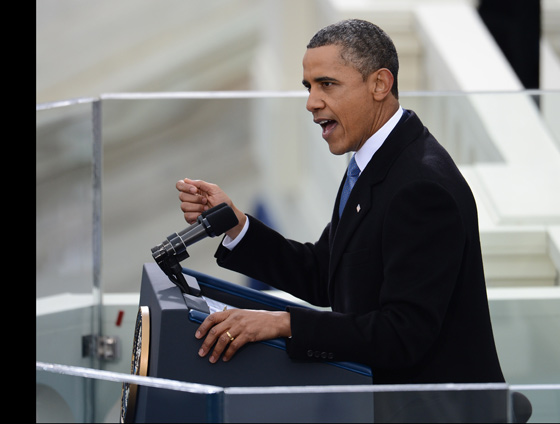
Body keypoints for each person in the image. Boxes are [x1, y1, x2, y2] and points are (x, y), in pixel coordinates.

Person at [176, 19, 505, 388]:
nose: (311, 103)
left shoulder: (422, 188)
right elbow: (323, 273)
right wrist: (236, 225)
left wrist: (284, 323)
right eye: (309, 87)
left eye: (327, 84)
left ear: (379, 84)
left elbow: (403, 334)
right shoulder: (372, 163)